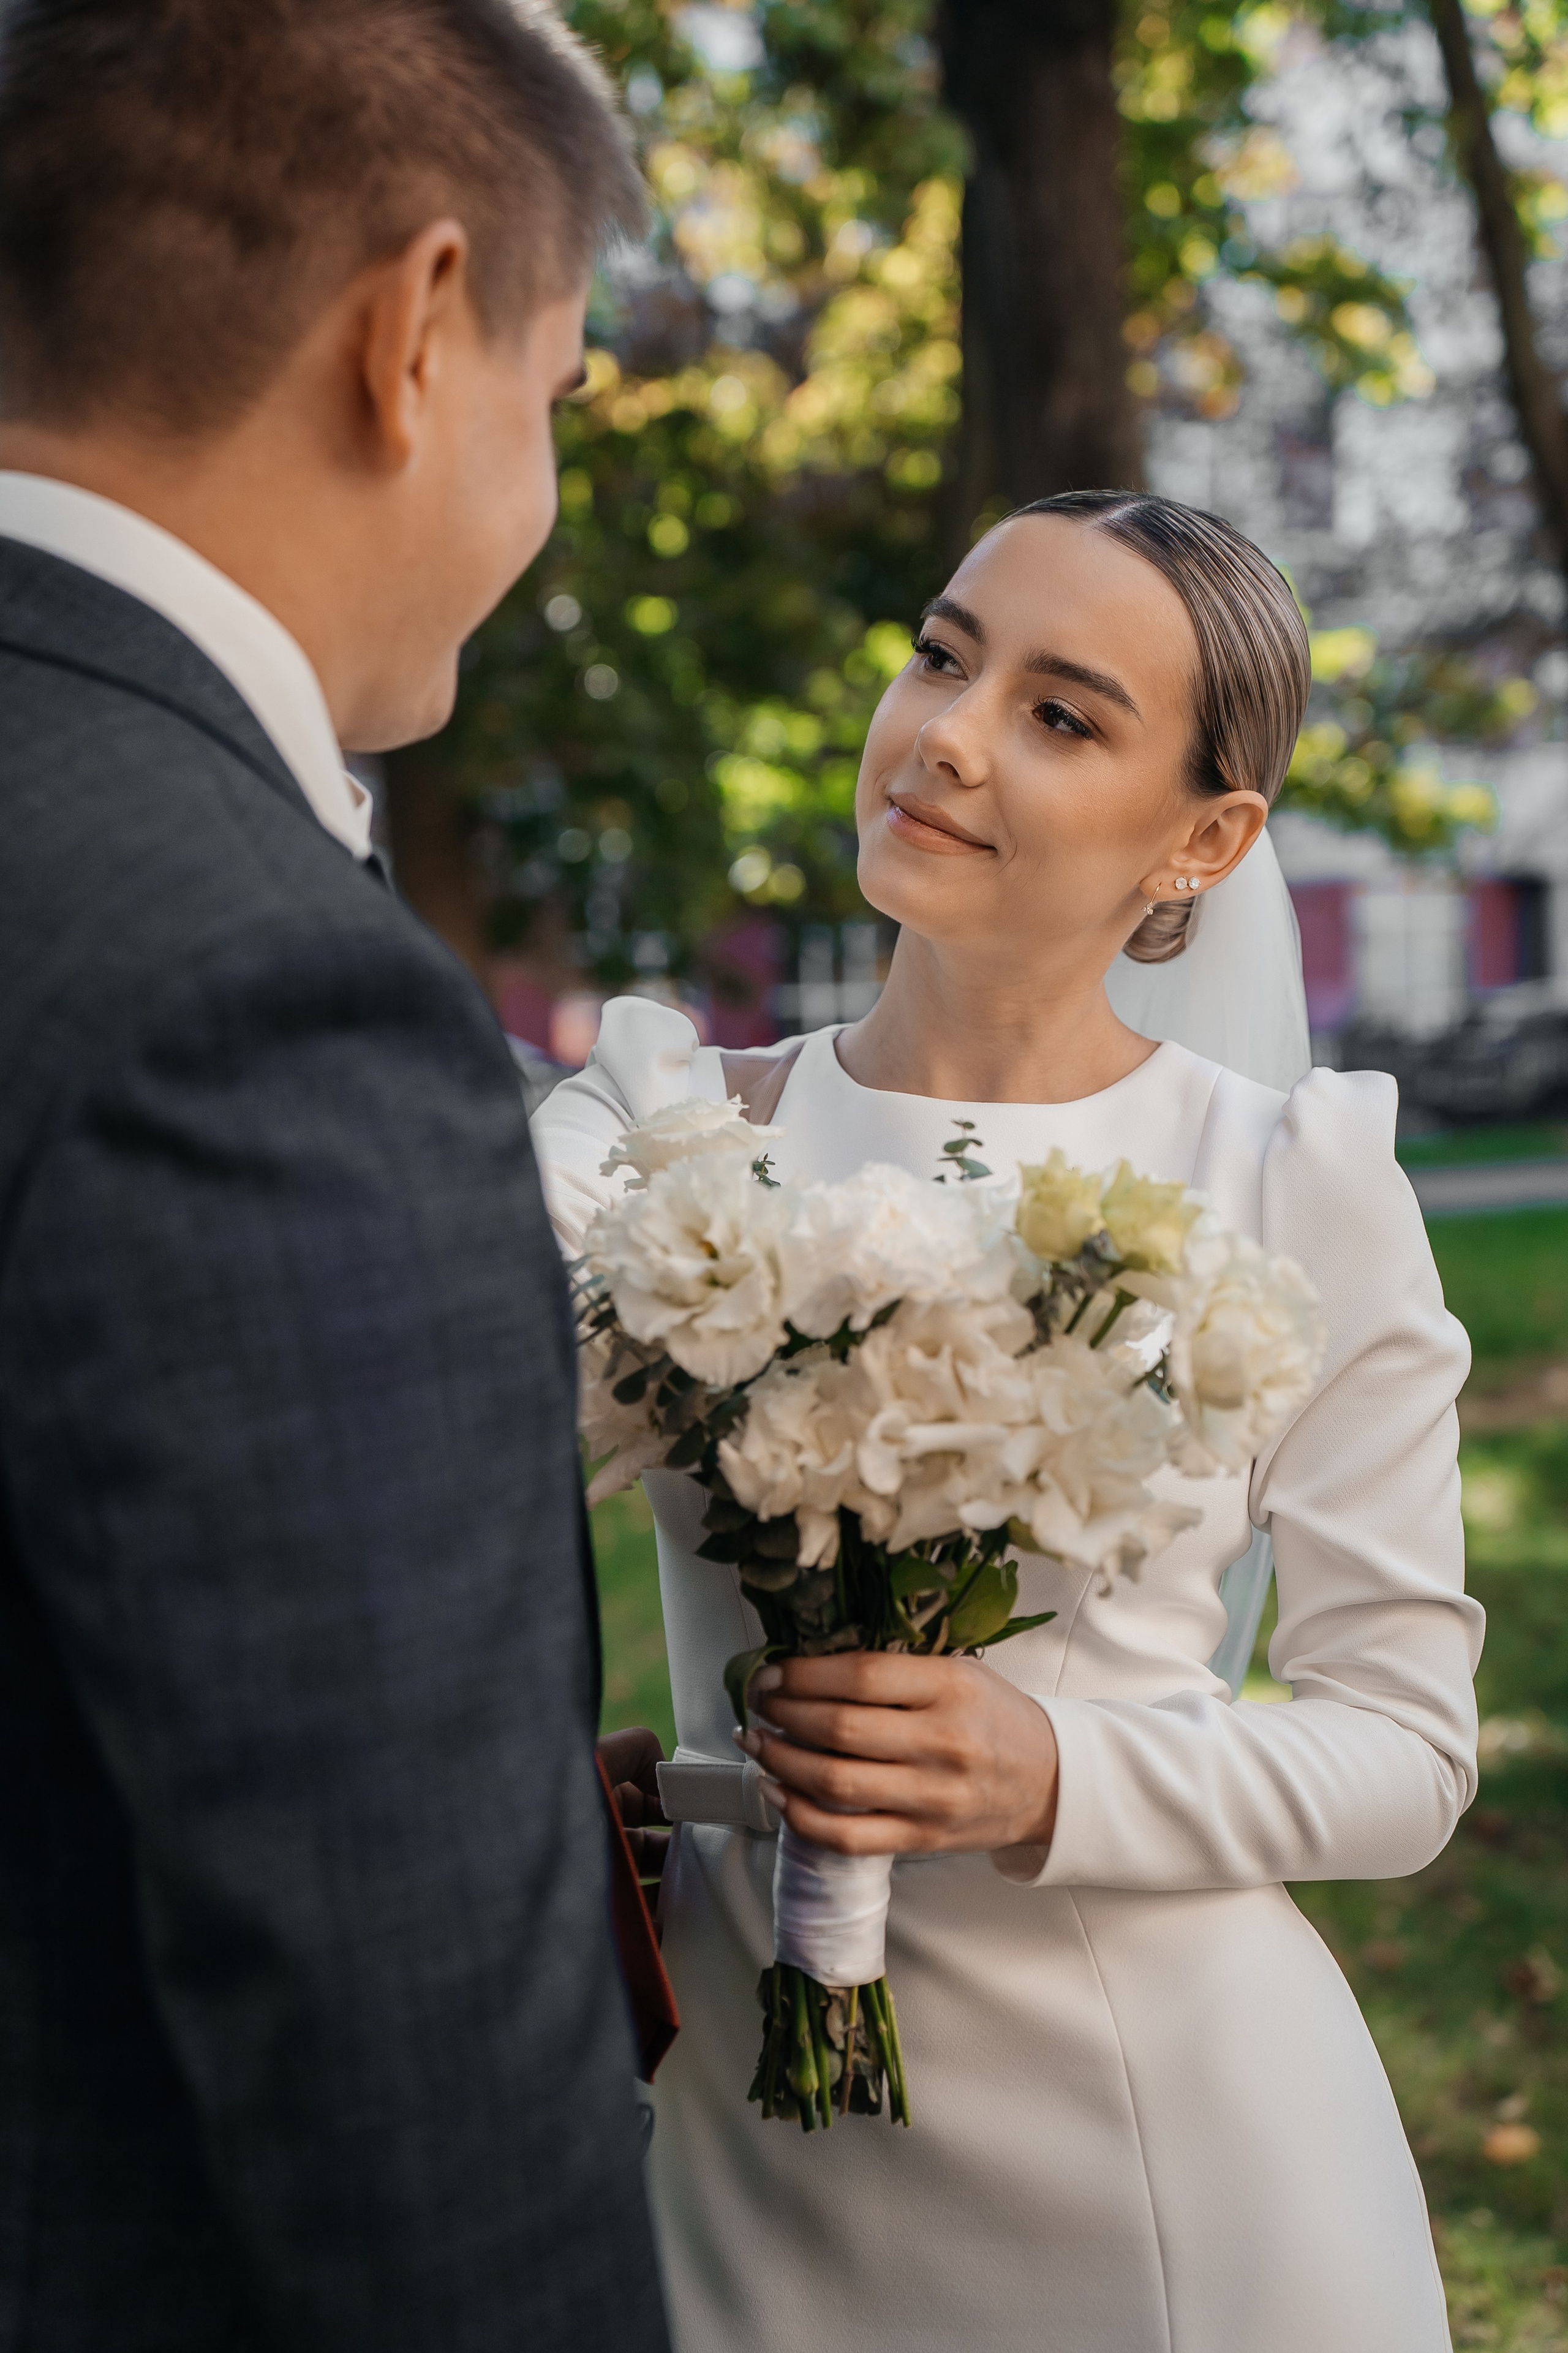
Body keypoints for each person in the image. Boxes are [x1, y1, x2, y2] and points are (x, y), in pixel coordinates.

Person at [533, 490, 1483, 2353]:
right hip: (739, 2114)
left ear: (1204, 838)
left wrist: (1059, 1771)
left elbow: (1408, 1752)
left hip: (1168, 2145)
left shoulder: (1296, 1175)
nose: (948, 734)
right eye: (942, 653)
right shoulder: (654, 1132)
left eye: (1063, 713)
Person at [0, 4, 669, 2348]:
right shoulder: (258, 994)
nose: (541, 484)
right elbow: (407, 2066)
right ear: (414, 333)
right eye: (557, 398)